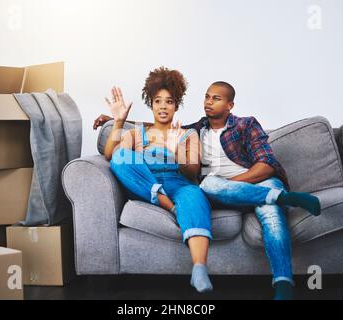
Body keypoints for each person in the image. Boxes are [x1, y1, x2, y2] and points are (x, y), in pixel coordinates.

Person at [95, 81, 322, 300]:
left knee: (261, 209)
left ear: (230, 105)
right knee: (204, 183)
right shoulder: (193, 128)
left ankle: (280, 282)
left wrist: (184, 156)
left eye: (216, 98)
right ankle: (169, 203)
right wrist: (116, 121)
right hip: (190, 185)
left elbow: (262, 165)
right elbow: (142, 135)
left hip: (242, 183)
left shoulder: (238, 126)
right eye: (206, 97)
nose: (209, 102)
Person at [103, 67, 213, 293]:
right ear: (151, 103)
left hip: (179, 182)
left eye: (169, 101)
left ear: (176, 104)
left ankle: (199, 269)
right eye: (158, 101)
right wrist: (118, 121)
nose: (163, 106)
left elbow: (192, 173)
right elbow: (111, 155)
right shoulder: (135, 133)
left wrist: (177, 150)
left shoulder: (187, 134)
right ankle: (166, 203)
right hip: (146, 180)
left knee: (195, 196)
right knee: (121, 156)